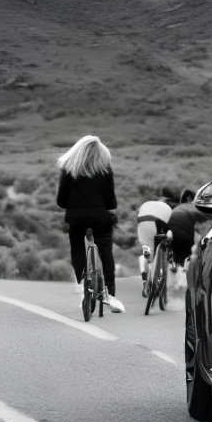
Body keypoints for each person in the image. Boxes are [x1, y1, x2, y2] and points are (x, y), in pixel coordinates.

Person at [56, 134, 125, 313]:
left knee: (78, 248)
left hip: (76, 219)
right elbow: (111, 203)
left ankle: (84, 282)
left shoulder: (68, 170)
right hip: (99, 219)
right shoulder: (105, 170)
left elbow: (61, 201)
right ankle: (110, 294)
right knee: (105, 252)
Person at [167, 189, 209, 290]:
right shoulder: (195, 207)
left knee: (176, 253)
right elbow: (206, 224)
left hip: (170, 232)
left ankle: (174, 266)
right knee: (190, 254)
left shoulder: (178, 207)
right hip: (184, 234)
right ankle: (185, 280)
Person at [135, 196, 174, 297]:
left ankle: (145, 280)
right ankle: (158, 274)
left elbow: (137, 212)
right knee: (162, 246)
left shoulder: (148, 204)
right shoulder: (169, 208)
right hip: (160, 222)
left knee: (147, 250)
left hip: (142, 220)